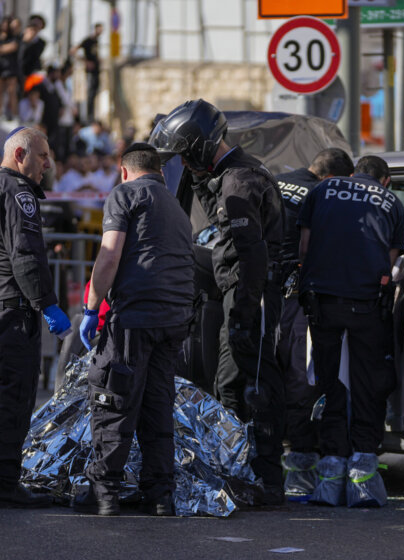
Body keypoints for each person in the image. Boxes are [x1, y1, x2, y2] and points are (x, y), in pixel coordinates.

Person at [150, 99, 287, 504]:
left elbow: (249, 255)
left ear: (196, 148)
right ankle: (241, 470)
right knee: (229, 384)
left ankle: (267, 477)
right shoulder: (227, 176)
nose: (185, 166)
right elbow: (221, 229)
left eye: (184, 158)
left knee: (256, 384)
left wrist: (244, 313)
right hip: (239, 294)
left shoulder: (239, 180)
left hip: (251, 296)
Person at [73, 142, 194, 516]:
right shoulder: (175, 205)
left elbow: (110, 254)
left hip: (135, 318)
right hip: (174, 318)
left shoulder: (126, 194)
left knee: (113, 399)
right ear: (159, 171)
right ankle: (160, 495)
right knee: (158, 405)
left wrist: (91, 307)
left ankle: (104, 491)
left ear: (124, 170)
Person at [0, 126, 70, 508]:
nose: (48, 165)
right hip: (13, 308)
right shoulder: (18, 192)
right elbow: (25, 256)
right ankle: (5, 482)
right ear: (20, 155)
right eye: (43, 156)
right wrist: (47, 303)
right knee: (15, 394)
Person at [297, 155, 404, 506]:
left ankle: (329, 479)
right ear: (384, 180)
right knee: (367, 387)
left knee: (329, 384)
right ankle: (362, 480)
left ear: (353, 171)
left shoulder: (323, 189)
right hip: (365, 304)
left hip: (323, 301)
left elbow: (304, 246)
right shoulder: (391, 201)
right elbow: (390, 260)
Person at [274, 148, 354, 496]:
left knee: (267, 377)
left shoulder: (276, 182)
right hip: (296, 294)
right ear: (332, 178)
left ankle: (270, 457)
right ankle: (301, 457)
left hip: (258, 292)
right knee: (300, 380)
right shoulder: (323, 194)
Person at [0, 16, 21, 121]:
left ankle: (14, 114)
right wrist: (3, 49)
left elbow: (13, 46)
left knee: (12, 91)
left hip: (10, 67)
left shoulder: (14, 37)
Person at [70, 23, 103, 121]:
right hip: (90, 72)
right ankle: (88, 117)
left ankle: (91, 115)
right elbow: (73, 51)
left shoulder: (96, 41)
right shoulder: (88, 41)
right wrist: (85, 62)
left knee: (94, 93)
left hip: (96, 71)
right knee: (89, 94)